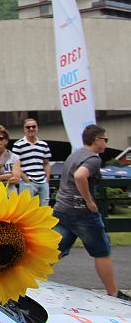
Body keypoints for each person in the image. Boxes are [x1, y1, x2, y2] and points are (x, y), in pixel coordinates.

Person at [54, 124, 130, 301]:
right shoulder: (93, 159)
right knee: (101, 251)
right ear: (97, 140)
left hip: (62, 209)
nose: (106, 143)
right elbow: (80, 176)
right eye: (105, 139)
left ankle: (29, 281)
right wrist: (89, 200)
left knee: (54, 251)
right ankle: (113, 293)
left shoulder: (74, 155)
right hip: (82, 212)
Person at [12, 117, 52, 205]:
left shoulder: (44, 145)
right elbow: (15, 165)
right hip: (27, 182)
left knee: (44, 209)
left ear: (37, 128)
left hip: (42, 181)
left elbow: (46, 163)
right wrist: (25, 178)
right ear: (24, 129)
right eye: (28, 127)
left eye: (33, 126)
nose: (31, 129)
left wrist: (47, 179)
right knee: (26, 209)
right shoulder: (18, 145)